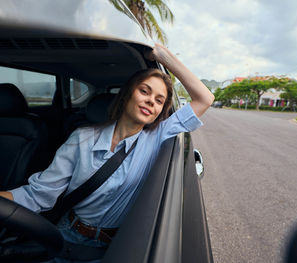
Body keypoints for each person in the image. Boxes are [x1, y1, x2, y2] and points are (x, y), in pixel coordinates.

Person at [0, 44, 214, 262]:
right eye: (144, 91)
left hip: (114, 245)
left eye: (160, 100)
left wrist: (162, 56)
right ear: (126, 94)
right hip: (65, 234)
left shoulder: (158, 137)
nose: (151, 100)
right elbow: (39, 195)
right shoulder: (82, 138)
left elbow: (205, 98)